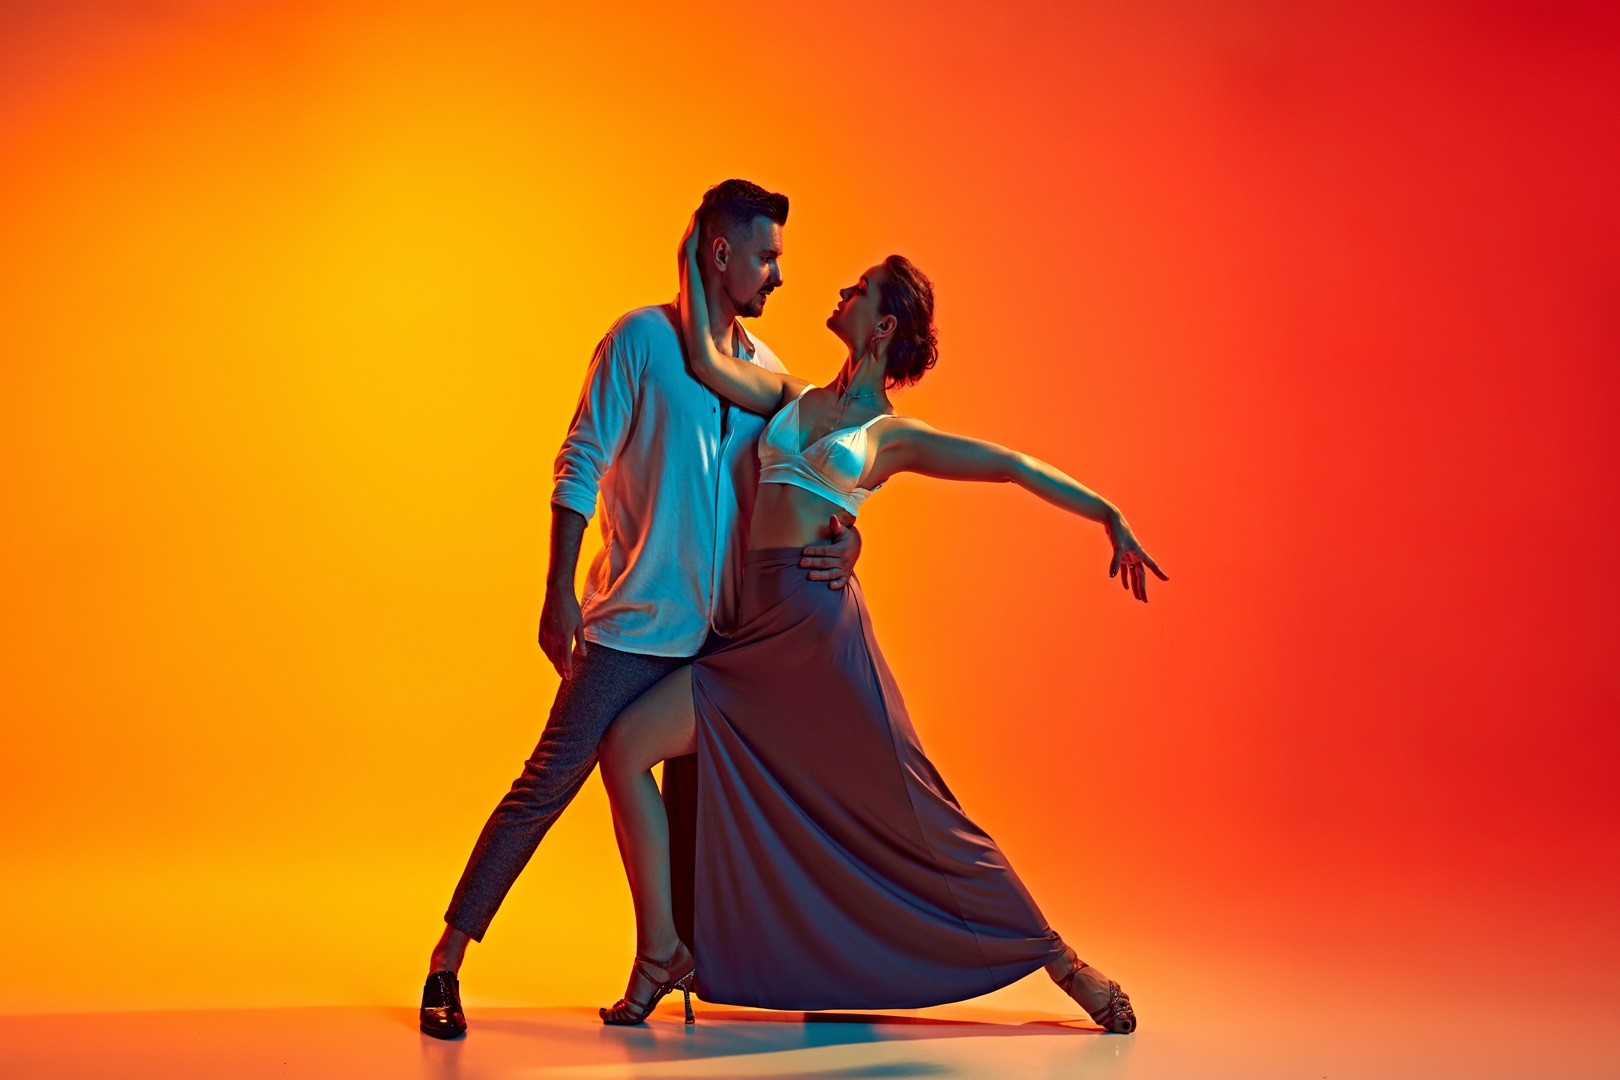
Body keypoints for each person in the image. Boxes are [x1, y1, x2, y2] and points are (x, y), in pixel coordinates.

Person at [591, 217, 1167, 1031]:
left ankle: (1062, 964)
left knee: (919, 812)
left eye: (858, 290)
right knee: (624, 748)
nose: (841, 292)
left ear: (884, 324)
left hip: (822, 643)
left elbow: (1010, 466)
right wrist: (694, 246)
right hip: (752, 639)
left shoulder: (889, 437)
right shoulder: (791, 398)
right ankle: (661, 951)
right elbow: (705, 361)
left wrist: (1107, 513)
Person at [418, 180, 865, 1039]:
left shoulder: (769, 373)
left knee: (744, 805)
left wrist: (852, 541)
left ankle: (709, 961)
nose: (778, 275)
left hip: (725, 640)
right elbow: (580, 460)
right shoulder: (640, 341)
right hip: (633, 629)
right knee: (546, 785)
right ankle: (446, 961)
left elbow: (819, 484)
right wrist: (557, 588)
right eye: (766, 257)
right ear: (719, 254)